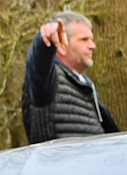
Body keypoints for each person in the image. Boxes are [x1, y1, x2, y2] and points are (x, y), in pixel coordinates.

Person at [22, 11, 118, 142]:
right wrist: (44, 41)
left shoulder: (83, 84)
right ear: (61, 42)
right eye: (84, 39)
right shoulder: (48, 79)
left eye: (91, 39)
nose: (92, 46)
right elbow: (38, 68)